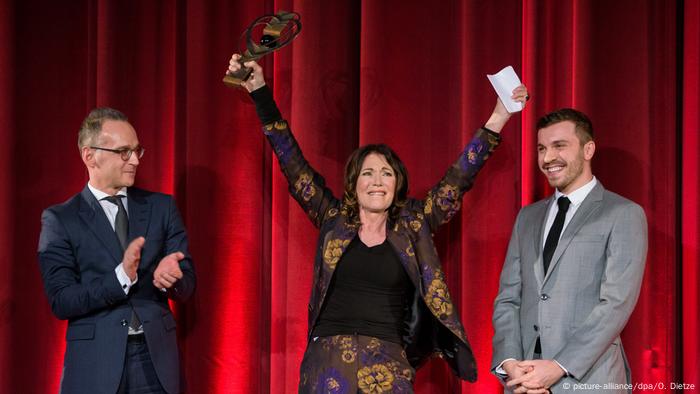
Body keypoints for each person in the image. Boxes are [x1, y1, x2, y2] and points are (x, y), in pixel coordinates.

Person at [228, 54, 528, 392]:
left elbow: (458, 179)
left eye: (386, 173)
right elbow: (292, 164)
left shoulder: (414, 224)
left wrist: (500, 115)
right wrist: (260, 93)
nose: (376, 181)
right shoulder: (333, 219)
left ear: (398, 184)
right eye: (367, 173)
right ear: (354, 184)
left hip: (388, 367)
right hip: (326, 365)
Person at [38, 108, 196, 394]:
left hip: (155, 362)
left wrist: (174, 279)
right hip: (95, 363)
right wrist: (120, 277)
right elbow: (61, 300)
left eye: (137, 151)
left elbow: (186, 285)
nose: (134, 160)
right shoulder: (60, 219)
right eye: (124, 152)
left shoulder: (162, 208)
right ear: (90, 156)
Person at [491, 109, 648, 393]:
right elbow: (508, 298)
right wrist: (509, 361)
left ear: (588, 149)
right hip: (524, 381)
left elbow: (615, 304)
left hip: (589, 380)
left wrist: (559, 366)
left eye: (559, 146)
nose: (547, 158)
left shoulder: (623, 213)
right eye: (541, 148)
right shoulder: (527, 217)